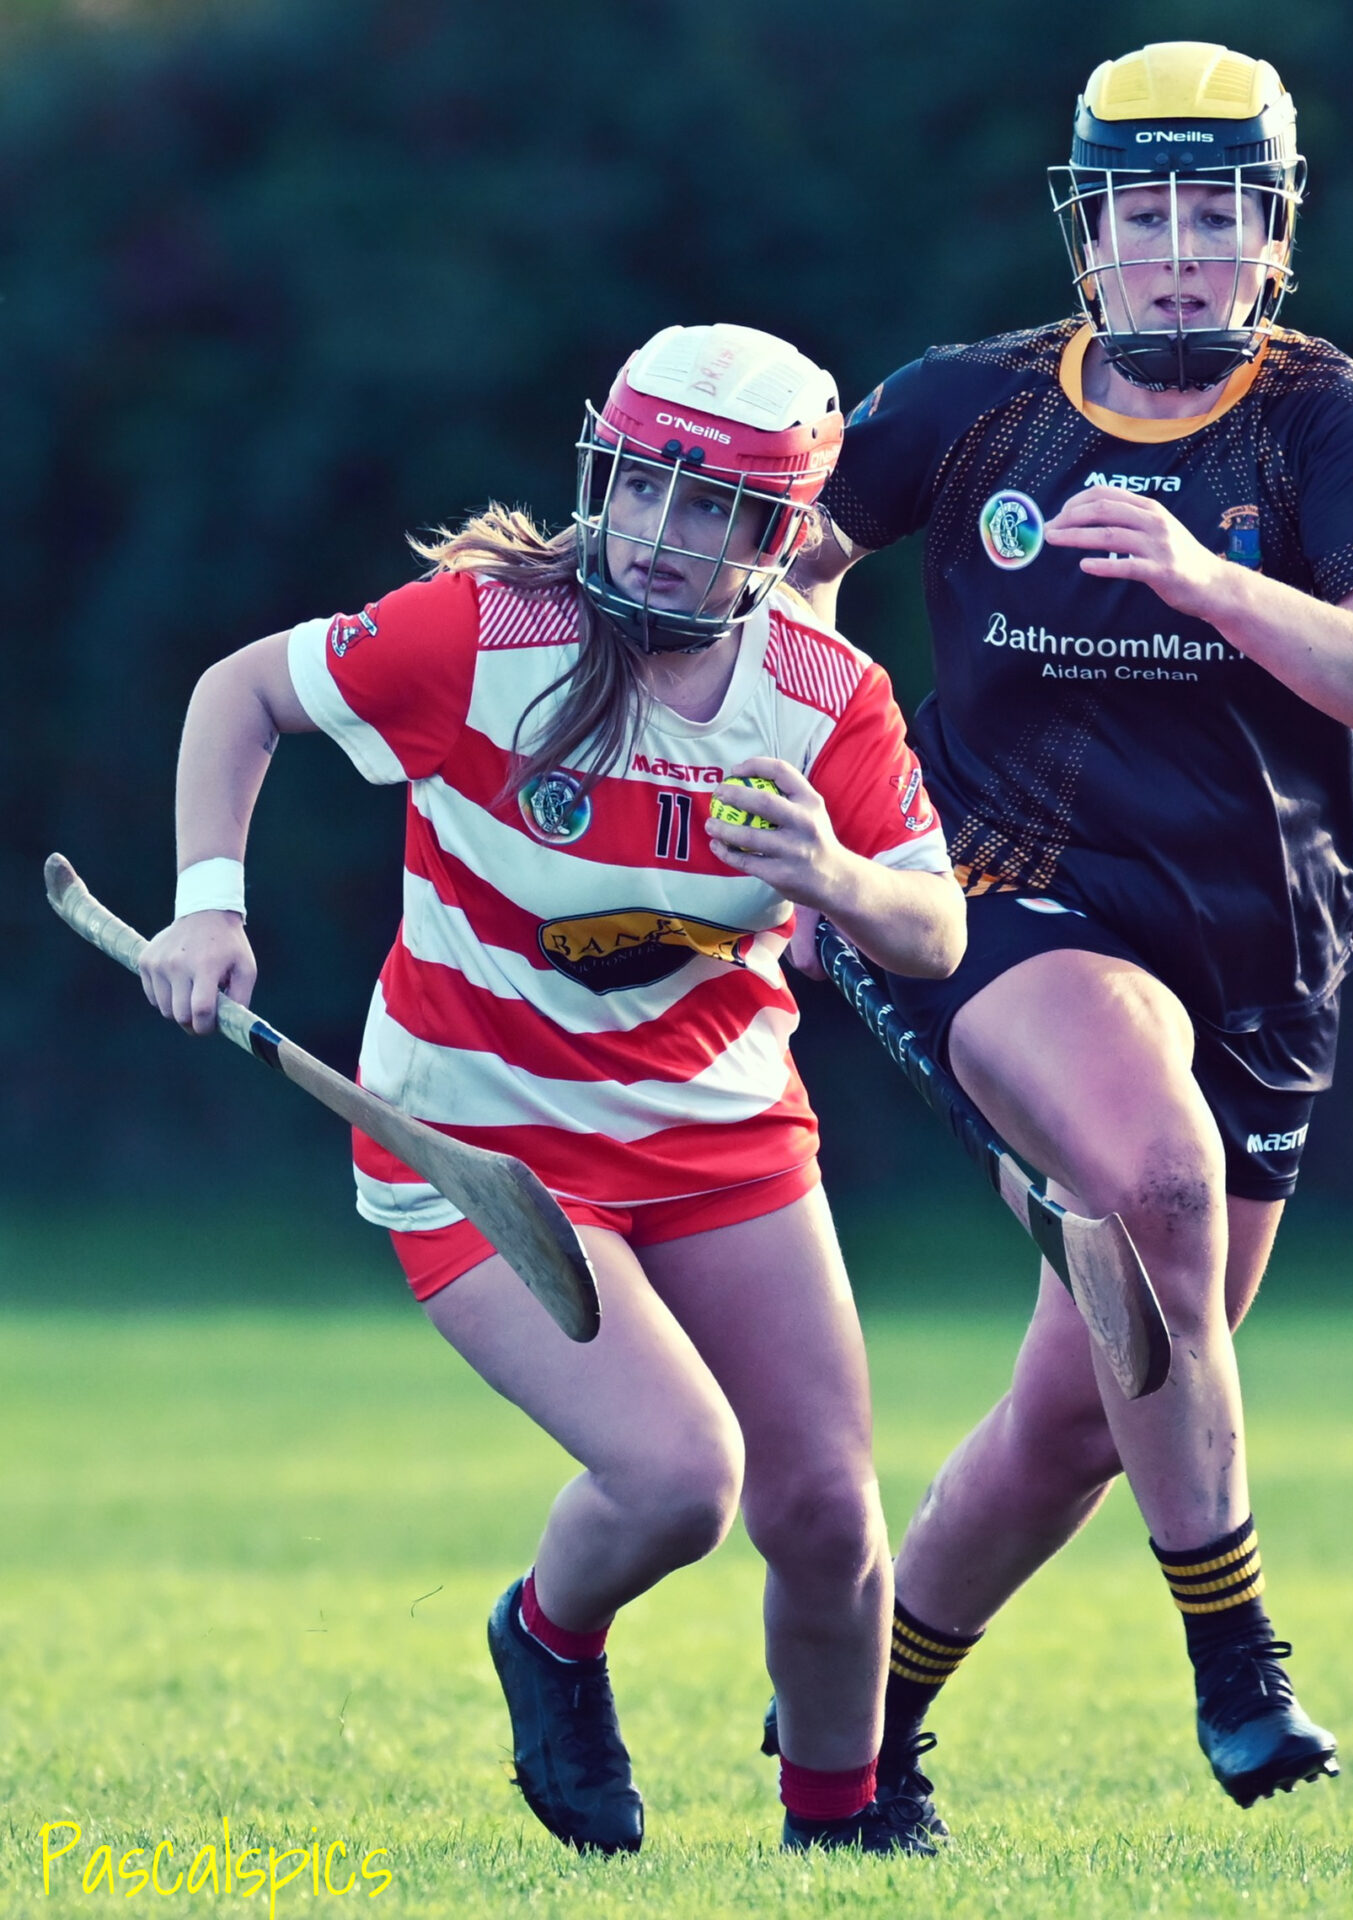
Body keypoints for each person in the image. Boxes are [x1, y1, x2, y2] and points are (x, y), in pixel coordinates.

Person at [138, 323, 966, 1856]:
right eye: (639, 485)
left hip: (722, 1135)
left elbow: (938, 927)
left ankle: (841, 1836)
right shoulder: (481, 633)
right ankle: (548, 1638)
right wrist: (207, 906)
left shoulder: (823, 695)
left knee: (829, 1518)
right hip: (476, 1138)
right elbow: (239, 696)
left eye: (708, 504)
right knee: (677, 1479)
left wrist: (836, 875)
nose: (657, 531)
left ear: (780, 532)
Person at [783, 42, 1353, 1831]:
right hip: (1001, 894)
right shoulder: (972, 406)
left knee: (1088, 1413)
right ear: (1086, 232)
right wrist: (824, 817)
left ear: (1275, 234)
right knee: (1155, 1185)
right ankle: (1240, 1667)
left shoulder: (1324, 419)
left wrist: (1209, 580)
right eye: (1142, 214)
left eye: (1216, 216)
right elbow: (782, 579)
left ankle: (855, 1733)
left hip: (1262, 955)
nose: (1178, 254)